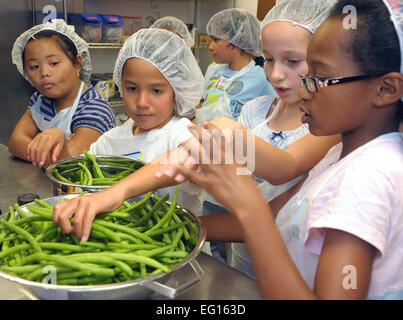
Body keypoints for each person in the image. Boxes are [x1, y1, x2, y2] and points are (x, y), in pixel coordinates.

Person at [174, 0, 403, 299]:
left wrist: (248, 206)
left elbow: (263, 211)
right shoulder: (340, 158)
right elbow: (274, 216)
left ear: (385, 89)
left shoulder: (368, 178)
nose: (304, 89)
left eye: (319, 78)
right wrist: (177, 229)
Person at [203, 0, 338, 267]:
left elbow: (282, 167)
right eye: (269, 60)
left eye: (292, 61)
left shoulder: (327, 129)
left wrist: (233, 135)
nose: (276, 74)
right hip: (242, 260)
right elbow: (238, 175)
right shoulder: (256, 111)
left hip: (287, 269)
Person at [54, 28, 206, 241]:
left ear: (177, 90)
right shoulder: (110, 141)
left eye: (156, 91)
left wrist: (118, 192)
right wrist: (59, 146)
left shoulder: (183, 134)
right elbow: (78, 185)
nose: (142, 102)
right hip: (120, 246)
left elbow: (185, 161)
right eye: (132, 88)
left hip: (178, 247)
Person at [9, 19, 116, 168]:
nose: (44, 73)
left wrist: (39, 139)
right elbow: (15, 142)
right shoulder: (40, 101)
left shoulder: (94, 108)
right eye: (34, 66)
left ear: (77, 64)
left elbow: (71, 164)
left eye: (53, 63)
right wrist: (53, 152)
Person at [196, 8, 276, 124]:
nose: (210, 46)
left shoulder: (262, 79)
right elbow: (205, 105)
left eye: (216, 40)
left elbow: (272, 118)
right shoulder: (213, 70)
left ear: (239, 41)